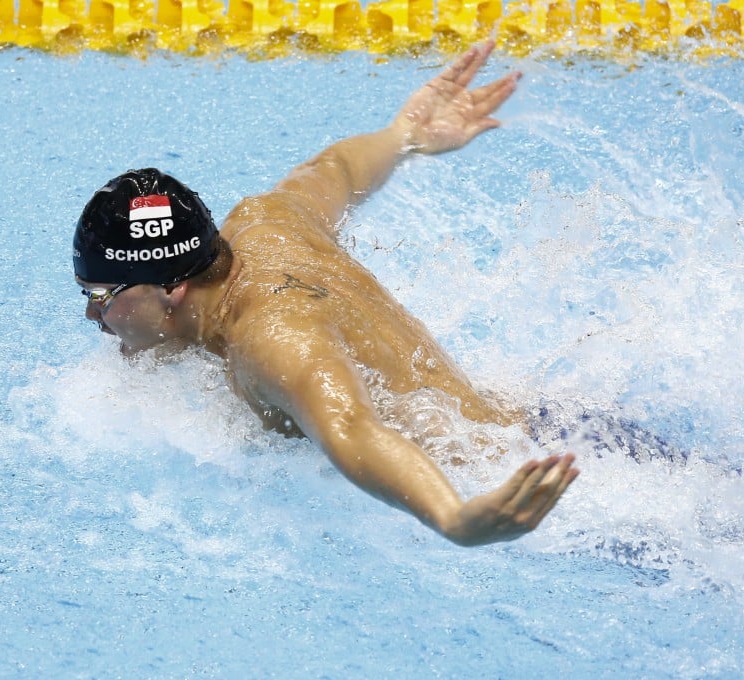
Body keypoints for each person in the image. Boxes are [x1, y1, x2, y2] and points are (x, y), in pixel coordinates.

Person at [73, 41, 579, 547]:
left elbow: (354, 429)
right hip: (545, 426)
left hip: (525, 488)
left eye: (102, 293)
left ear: (171, 289)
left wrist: (453, 517)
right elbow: (336, 169)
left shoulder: (271, 339)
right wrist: (404, 134)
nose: (94, 313)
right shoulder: (264, 223)